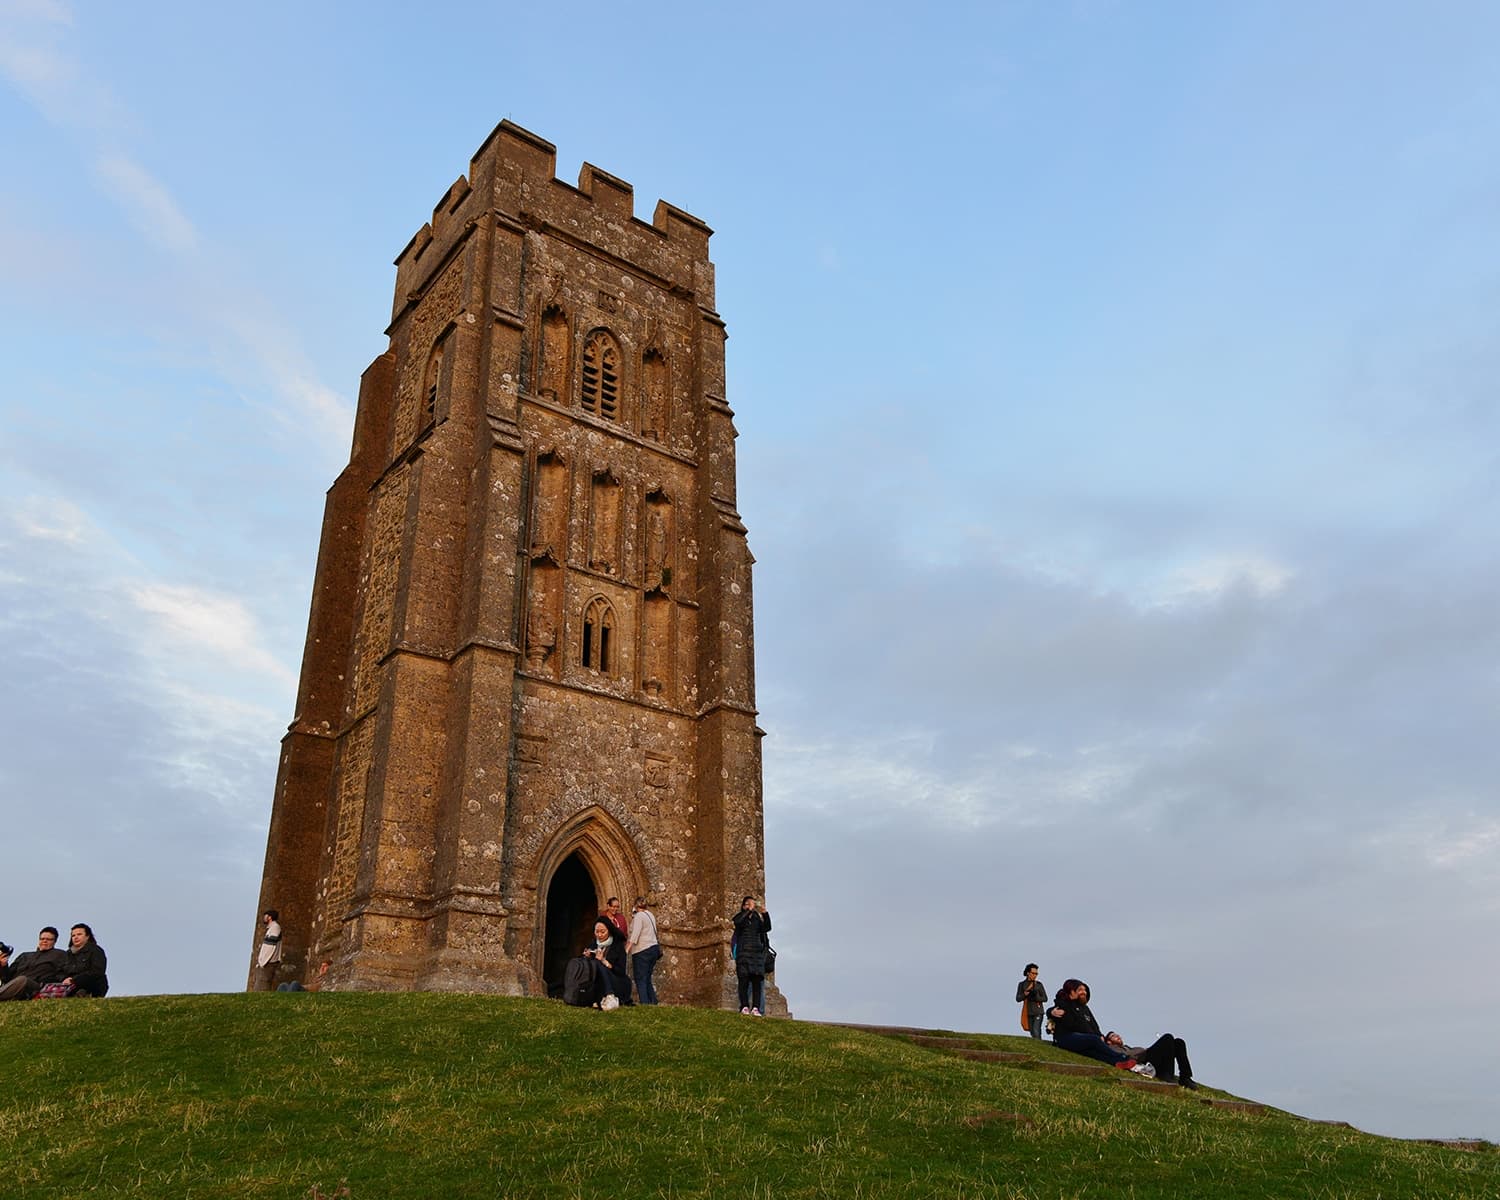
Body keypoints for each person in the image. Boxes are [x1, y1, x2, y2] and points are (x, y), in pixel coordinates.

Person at [1048, 979, 1137, 1069]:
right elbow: (1072, 1024)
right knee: (1094, 1040)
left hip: (1081, 1038)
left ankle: (1116, 1063)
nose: (1084, 992)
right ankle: (1121, 1057)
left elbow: (1093, 1024)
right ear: (1072, 992)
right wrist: (1051, 1012)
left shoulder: (1084, 1008)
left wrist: (1099, 1034)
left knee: (1093, 1052)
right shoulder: (1064, 1004)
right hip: (1065, 1038)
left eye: (1084, 990)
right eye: (1080, 990)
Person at [1104, 1030, 1199, 1089]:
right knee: (1167, 1037)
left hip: (1147, 1056)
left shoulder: (1127, 1047)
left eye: (1117, 1035)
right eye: (1113, 1036)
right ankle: (1166, 1075)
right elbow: (1127, 1057)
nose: (1118, 1036)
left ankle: (1185, 1077)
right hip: (1144, 1061)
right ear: (1108, 1041)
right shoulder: (1112, 1049)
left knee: (1179, 1043)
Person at [36, 923, 109, 998]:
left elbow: (97, 971)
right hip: (68, 985)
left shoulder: (95, 950)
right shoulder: (67, 954)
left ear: (87, 936)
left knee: (93, 977)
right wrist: (64, 979)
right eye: (73, 935)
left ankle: (84, 993)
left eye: (79, 934)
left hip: (89, 983)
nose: (76, 937)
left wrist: (74, 980)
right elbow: (59, 971)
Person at [0, 927, 68, 1001]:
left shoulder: (59, 954)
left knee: (23, 979)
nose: (44, 941)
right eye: (42, 939)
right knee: (19, 980)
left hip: (36, 985)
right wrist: (4, 965)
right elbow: (6, 978)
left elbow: (62, 973)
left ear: (54, 941)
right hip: (15, 985)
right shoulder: (25, 955)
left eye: (48, 939)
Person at [731, 895, 771, 1016]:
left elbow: (766, 928)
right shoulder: (740, 917)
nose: (752, 906)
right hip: (744, 953)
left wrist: (765, 914)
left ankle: (756, 1008)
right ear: (744, 906)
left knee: (756, 981)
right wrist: (747, 911)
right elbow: (738, 922)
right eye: (748, 904)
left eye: (752, 904)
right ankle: (744, 1006)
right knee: (743, 980)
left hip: (756, 953)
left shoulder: (756, 919)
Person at [583, 919, 630, 1007]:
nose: (599, 935)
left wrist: (605, 962)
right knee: (593, 963)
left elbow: (621, 972)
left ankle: (610, 996)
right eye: (597, 932)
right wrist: (588, 956)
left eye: (603, 932)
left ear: (609, 931)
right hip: (599, 983)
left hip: (617, 981)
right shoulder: (593, 944)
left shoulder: (617, 946)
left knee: (599, 963)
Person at [625, 897, 662, 1005]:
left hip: (642, 950)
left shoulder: (639, 916)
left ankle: (645, 1004)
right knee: (647, 977)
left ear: (636, 906)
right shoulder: (650, 915)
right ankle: (653, 1001)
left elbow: (635, 934)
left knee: (640, 978)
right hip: (653, 948)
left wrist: (627, 949)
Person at [1015, 963, 1047, 1040]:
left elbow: (1045, 998)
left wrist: (1036, 996)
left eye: (1036, 974)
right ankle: (1039, 1047)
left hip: (1038, 1011)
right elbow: (1018, 998)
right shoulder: (1021, 984)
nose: (1035, 975)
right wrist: (1025, 994)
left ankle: (1040, 1047)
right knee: (1032, 1032)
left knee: (1036, 1031)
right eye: (1033, 973)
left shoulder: (1039, 984)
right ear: (1028, 973)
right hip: (1028, 1011)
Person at [255, 909, 283, 992]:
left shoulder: (275, 928)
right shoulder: (271, 928)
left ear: (269, 917)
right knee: (260, 985)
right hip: (266, 962)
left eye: (266, 916)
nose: (264, 917)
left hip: (269, 962)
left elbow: (270, 947)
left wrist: (263, 961)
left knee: (262, 986)